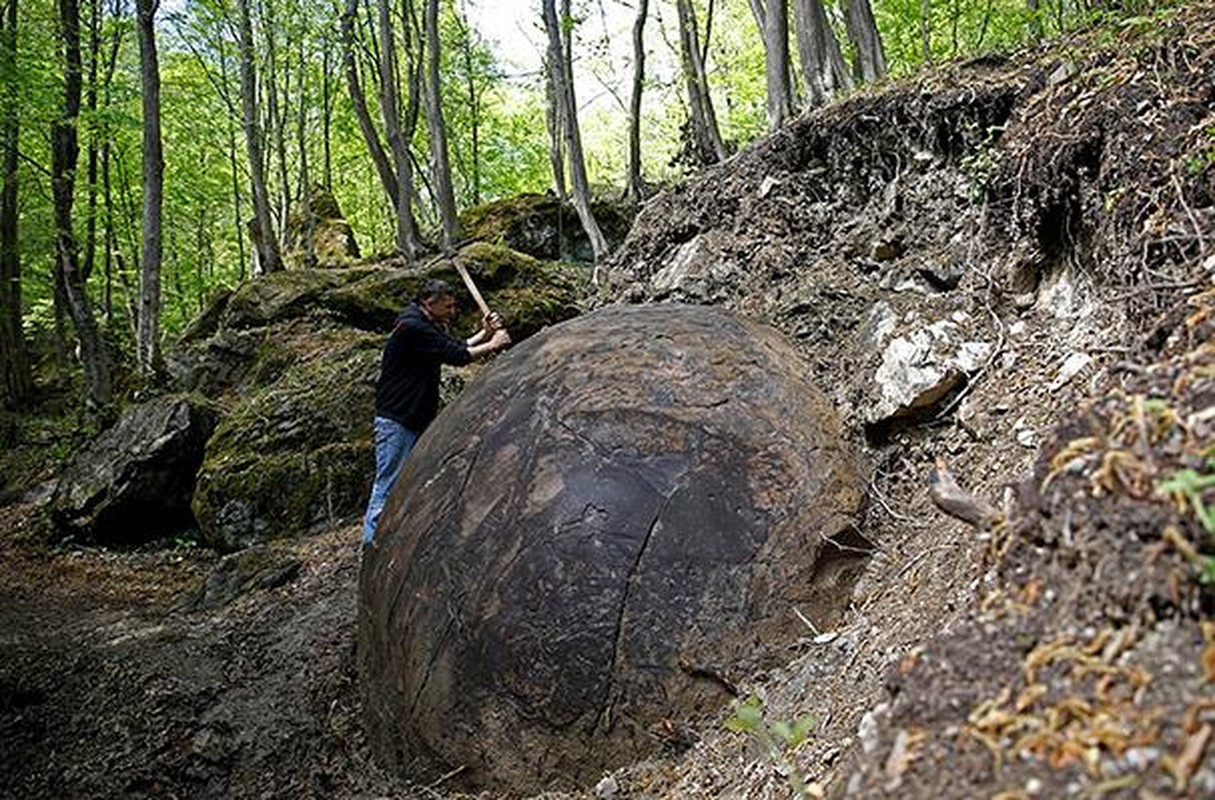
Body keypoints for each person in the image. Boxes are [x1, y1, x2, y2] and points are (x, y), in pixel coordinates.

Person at [362, 279, 511, 544]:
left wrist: (484, 332)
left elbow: (452, 345)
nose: (453, 312)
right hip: (398, 419)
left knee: (412, 479)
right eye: (449, 306)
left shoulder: (423, 323)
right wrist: (493, 344)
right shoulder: (411, 326)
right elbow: (457, 356)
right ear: (430, 303)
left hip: (414, 416)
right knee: (388, 483)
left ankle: (400, 537)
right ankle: (372, 543)